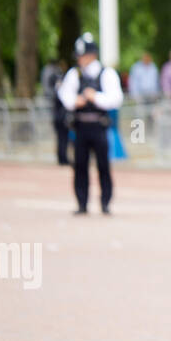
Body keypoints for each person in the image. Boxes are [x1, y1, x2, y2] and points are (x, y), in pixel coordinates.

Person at [57, 34, 124, 214]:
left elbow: (116, 99)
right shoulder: (74, 74)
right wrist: (75, 101)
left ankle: (105, 202)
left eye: (82, 55)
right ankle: (81, 203)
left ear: (92, 55)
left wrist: (95, 97)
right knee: (80, 166)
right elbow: (65, 95)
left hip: (99, 125)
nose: (80, 59)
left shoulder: (106, 73)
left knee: (103, 166)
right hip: (80, 126)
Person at [42, 59, 70, 165]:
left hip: (58, 116)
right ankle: (63, 158)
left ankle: (62, 157)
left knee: (62, 138)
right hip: (60, 117)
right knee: (62, 138)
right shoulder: (59, 94)